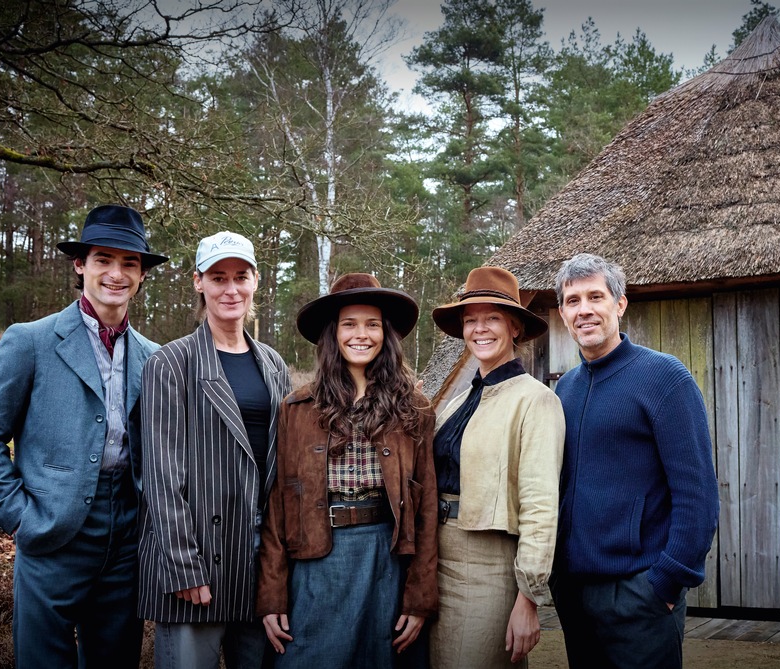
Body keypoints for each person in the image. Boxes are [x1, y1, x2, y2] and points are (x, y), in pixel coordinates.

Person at [0, 204, 169, 667]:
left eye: (129, 263)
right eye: (103, 260)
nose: (116, 274)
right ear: (80, 265)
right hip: (51, 533)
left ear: (141, 276)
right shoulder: (30, 341)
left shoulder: (155, 357)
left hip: (126, 543)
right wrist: (17, 516)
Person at [258, 273, 438, 668]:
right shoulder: (296, 409)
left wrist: (420, 595)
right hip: (317, 560)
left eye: (372, 324)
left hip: (387, 560)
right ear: (333, 334)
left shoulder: (415, 409)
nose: (362, 334)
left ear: (386, 334)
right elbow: (277, 507)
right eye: (349, 324)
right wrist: (271, 595)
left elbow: (426, 513)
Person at [549, 253, 719, 669]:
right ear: (562, 313)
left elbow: (697, 493)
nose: (584, 310)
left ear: (620, 304)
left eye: (595, 297)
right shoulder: (562, 391)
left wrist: (666, 581)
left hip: (638, 593)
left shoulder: (664, 378)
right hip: (573, 594)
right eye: (573, 301)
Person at [137, 230, 292, 668]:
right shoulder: (171, 362)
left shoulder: (274, 364)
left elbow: (280, 470)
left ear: (256, 281)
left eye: (240, 276)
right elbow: (161, 475)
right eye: (218, 277)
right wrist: (183, 565)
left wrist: (280, 568)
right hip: (196, 563)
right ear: (198, 282)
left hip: (256, 564)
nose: (231, 288)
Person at [428, 266, 564, 668]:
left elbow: (541, 507)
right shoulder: (454, 404)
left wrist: (529, 599)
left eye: (492, 318)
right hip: (437, 560)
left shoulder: (535, 401)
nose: (479, 329)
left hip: (489, 568)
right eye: (471, 320)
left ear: (515, 327)